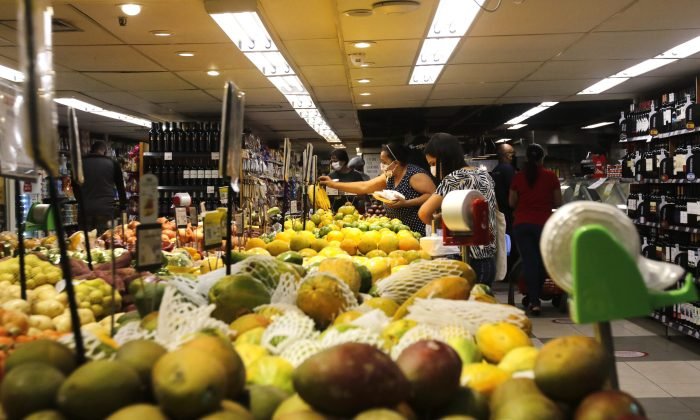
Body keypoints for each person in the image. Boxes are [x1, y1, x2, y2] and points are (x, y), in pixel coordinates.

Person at [418, 133, 498, 286]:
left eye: (433, 163)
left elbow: (424, 213)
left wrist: (443, 223)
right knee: (482, 301)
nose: (432, 168)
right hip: (488, 259)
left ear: (444, 158)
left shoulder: (453, 179)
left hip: (463, 259)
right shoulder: (484, 175)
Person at [319, 143, 436, 235]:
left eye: (384, 162)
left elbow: (432, 195)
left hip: (417, 229)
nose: (382, 165)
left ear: (396, 162)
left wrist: (406, 203)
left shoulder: (414, 175)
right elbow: (364, 186)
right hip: (398, 229)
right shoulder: (389, 176)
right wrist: (333, 184)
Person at [509, 144, 562, 316]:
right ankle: (538, 296)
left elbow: (511, 202)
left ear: (526, 159)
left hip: (522, 225)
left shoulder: (518, 177)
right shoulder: (550, 176)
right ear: (542, 159)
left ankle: (534, 301)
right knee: (541, 261)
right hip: (544, 225)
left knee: (529, 261)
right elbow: (558, 202)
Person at [77, 141, 126, 234]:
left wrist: (81, 201)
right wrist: (122, 206)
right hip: (105, 210)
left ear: (91, 150)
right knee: (104, 240)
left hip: (85, 210)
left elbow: (75, 186)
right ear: (105, 152)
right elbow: (120, 188)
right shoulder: (112, 164)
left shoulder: (80, 163)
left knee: (84, 241)